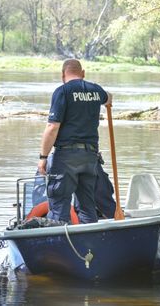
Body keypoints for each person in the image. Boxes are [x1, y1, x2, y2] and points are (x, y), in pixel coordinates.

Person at [37, 59, 112, 223]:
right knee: (87, 206)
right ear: (83, 73)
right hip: (90, 157)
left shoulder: (62, 92)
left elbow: (52, 127)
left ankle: (60, 245)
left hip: (66, 157)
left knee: (59, 206)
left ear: (63, 75)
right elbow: (108, 98)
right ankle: (89, 245)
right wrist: (106, 100)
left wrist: (43, 158)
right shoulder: (96, 90)